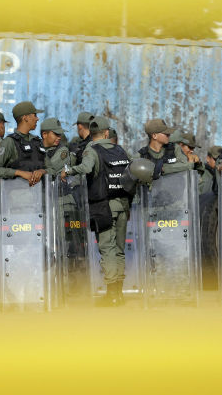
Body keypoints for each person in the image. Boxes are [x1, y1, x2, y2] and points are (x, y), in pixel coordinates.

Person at [61, 116, 131, 306]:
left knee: (107, 249)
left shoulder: (92, 149)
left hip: (103, 206)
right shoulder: (120, 149)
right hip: (123, 204)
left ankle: (112, 295)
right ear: (107, 133)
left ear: (92, 134)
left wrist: (67, 171)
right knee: (119, 250)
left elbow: (86, 167)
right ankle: (119, 293)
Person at [0, 101, 46, 186]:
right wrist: (19, 173)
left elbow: (51, 168)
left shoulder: (37, 142)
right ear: (25, 118)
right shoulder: (10, 142)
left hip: (39, 196)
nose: (37, 119)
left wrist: (41, 171)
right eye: (35, 115)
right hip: (17, 197)